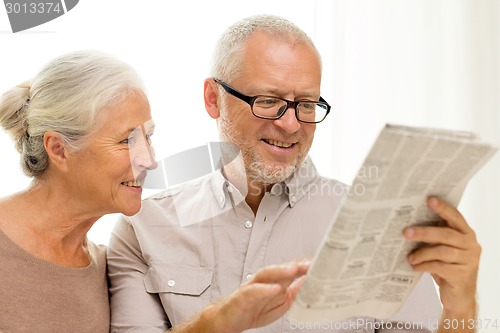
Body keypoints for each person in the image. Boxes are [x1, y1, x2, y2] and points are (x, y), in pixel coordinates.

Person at [107, 15, 481, 333]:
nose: (290, 125)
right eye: (268, 101)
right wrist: (219, 322)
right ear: (213, 99)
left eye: (306, 104)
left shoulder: (383, 226)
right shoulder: (143, 228)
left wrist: (461, 305)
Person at [0, 50, 310, 333]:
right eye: (126, 141)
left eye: (148, 136)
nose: (149, 160)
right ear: (58, 149)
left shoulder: (101, 266)